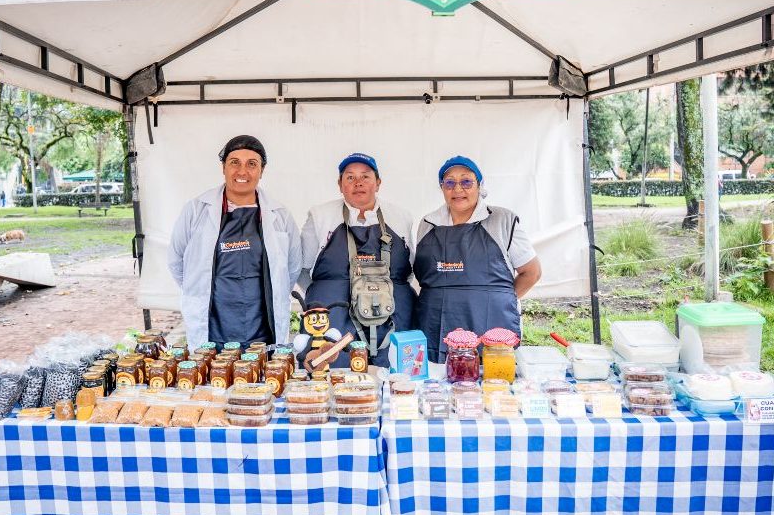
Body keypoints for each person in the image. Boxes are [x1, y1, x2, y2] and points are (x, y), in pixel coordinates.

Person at [168, 135, 301, 350]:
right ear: (223, 167)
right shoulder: (196, 210)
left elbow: (293, 267)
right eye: (234, 163)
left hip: (263, 326)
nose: (242, 171)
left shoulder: (280, 215)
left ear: (261, 171)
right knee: (213, 377)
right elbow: (176, 260)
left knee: (265, 377)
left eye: (252, 164)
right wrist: (198, 290)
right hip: (213, 324)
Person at [413, 156, 542, 363]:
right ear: (442, 188)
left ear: (479, 186)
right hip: (437, 321)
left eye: (466, 181)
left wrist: (501, 299)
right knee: (437, 385)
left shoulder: (502, 220)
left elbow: (532, 272)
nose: (458, 189)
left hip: (492, 322)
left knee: (493, 383)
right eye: (449, 182)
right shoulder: (427, 224)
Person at [300, 153, 415, 366]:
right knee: (332, 380)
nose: (358, 183)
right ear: (340, 184)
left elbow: (412, 269)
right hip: (334, 320)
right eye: (350, 177)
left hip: (393, 316)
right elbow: (302, 267)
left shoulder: (401, 217)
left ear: (378, 183)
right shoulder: (320, 215)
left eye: (365, 177)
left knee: (395, 379)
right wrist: (324, 297)